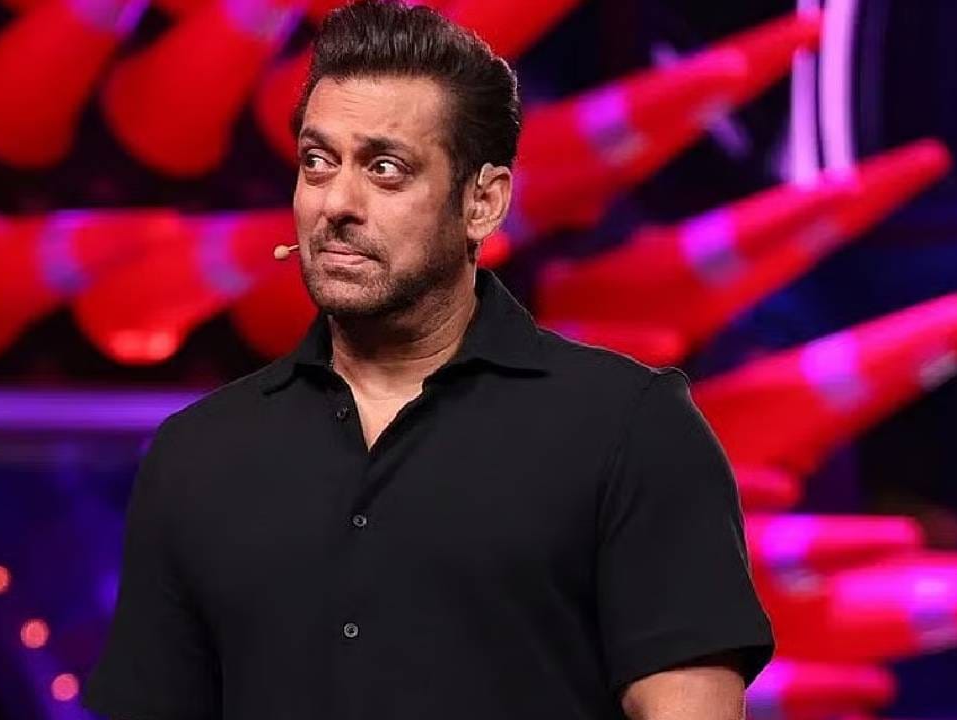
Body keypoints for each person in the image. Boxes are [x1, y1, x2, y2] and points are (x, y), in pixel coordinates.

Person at [83, 2, 773, 718]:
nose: (336, 202)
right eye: (317, 162)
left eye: (385, 169)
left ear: (483, 203)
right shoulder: (198, 454)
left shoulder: (628, 429)